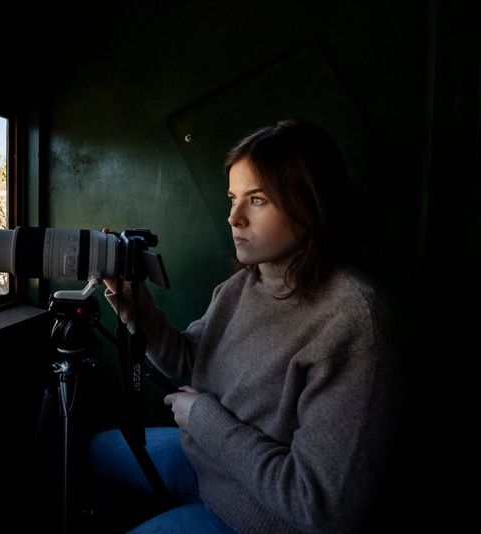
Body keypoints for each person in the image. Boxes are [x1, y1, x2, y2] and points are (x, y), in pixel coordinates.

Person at [90, 119, 400, 533]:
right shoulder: (246, 282)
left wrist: (203, 417)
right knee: (94, 448)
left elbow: (321, 508)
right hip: (212, 465)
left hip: (259, 517)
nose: (234, 217)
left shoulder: (353, 320)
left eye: (257, 200)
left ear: (310, 203)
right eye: (233, 198)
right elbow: (186, 359)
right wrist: (132, 301)